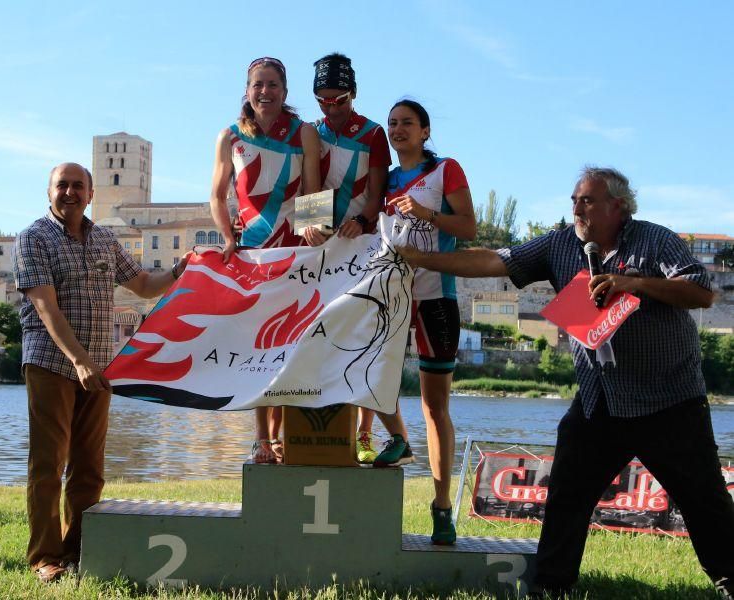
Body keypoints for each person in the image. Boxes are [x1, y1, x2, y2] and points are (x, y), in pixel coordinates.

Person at [395, 166, 734, 597]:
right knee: (566, 497)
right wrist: (423, 260)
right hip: (599, 401)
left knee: (704, 500)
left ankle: (730, 577)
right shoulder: (559, 243)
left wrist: (633, 283)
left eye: (587, 200)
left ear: (618, 206)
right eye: (574, 199)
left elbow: (701, 291)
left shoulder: (656, 239)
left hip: (668, 399)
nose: (576, 208)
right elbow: (497, 260)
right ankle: (551, 586)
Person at [13, 162, 189, 583]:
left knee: (90, 468)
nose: (70, 192)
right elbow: (44, 307)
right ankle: (44, 557)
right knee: (48, 464)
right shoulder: (32, 238)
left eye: (78, 186)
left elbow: (145, 284)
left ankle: (76, 550)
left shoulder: (105, 240)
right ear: (49, 192)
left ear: (91, 195)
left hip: (99, 368)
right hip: (52, 363)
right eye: (62, 185)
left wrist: (182, 270)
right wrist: (79, 360)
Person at [208, 57, 321, 464]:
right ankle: (261, 438)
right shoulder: (230, 136)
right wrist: (226, 236)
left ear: (285, 92)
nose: (265, 92)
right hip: (253, 253)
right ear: (247, 90)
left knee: (291, 344)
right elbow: (217, 196)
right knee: (260, 347)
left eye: (273, 85)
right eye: (258, 85)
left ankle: (286, 437)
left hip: (294, 252)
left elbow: (312, 190)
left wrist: (313, 233)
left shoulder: (304, 133)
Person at [308, 52, 412, 465]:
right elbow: (311, 184)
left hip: (364, 246)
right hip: (324, 248)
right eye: (323, 101)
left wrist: (363, 219)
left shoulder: (371, 133)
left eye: (339, 101)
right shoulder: (312, 131)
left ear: (353, 94)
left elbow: (377, 189)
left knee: (365, 342)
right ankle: (310, 437)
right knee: (324, 340)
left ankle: (366, 436)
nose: (331, 109)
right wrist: (310, 226)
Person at [383, 99, 476, 545]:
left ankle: (441, 506)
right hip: (390, 296)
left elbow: (470, 227)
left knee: (435, 408)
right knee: (366, 379)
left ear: (425, 131)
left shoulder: (445, 170)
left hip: (437, 298)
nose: (398, 130)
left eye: (407, 124)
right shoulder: (383, 179)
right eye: (392, 124)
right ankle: (397, 440)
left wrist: (425, 214)